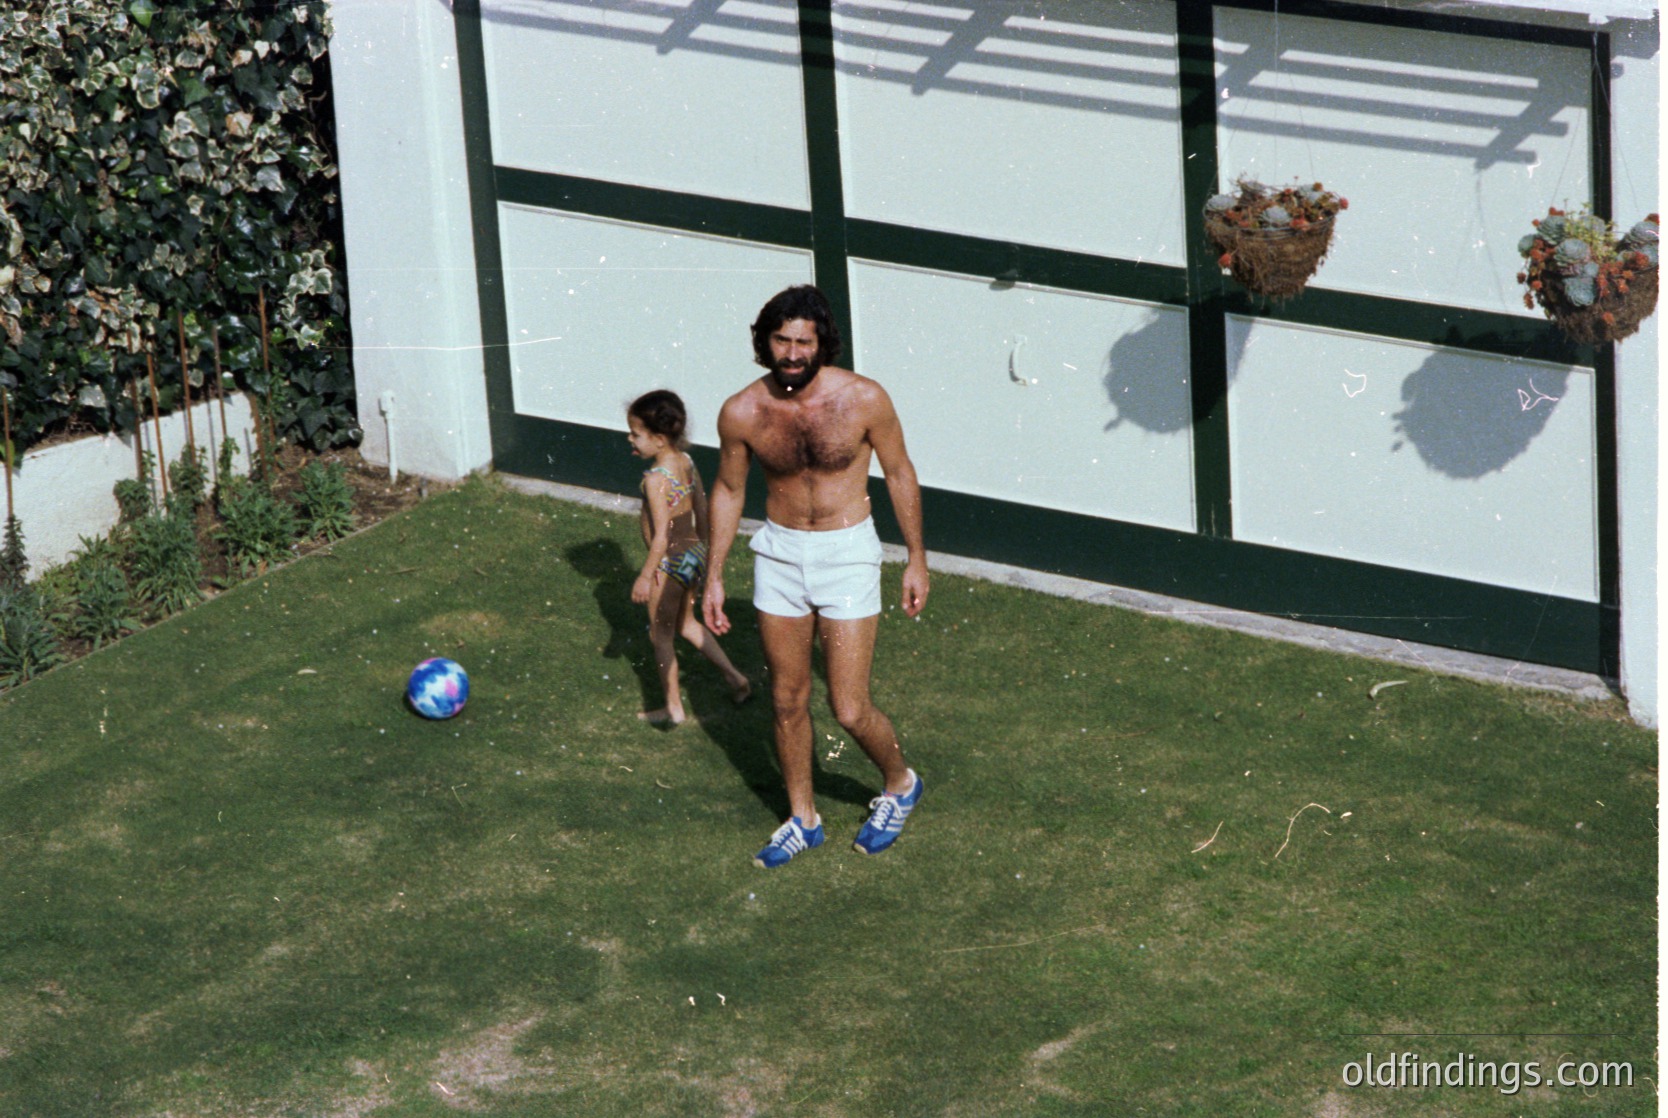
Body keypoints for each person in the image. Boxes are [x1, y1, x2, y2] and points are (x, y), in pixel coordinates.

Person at [701, 285, 929, 868]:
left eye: (805, 341)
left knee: (849, 708)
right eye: (782, 340)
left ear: (822, 341)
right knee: (786, 699)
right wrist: (715, 575)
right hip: (778, 553)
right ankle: (803, 819)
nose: (794, 352)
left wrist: (916, 559)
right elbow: (728, 489)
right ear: (765, 341)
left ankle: (900, 783)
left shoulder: (864, 399)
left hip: (847, 552)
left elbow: (900, 473)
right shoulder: (742, 411)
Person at [626, 390, 752, 726]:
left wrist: (644, 576)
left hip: (667, 564)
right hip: (693, 554)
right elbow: (701, 508)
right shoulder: (686, 462)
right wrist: (707, 550)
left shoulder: (654, 480)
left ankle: (672, 708)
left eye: (636, 434)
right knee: (686, 623)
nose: (630, 439)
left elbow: (661, 537)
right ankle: (736, 679)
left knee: (660, 636)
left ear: (659, 438)